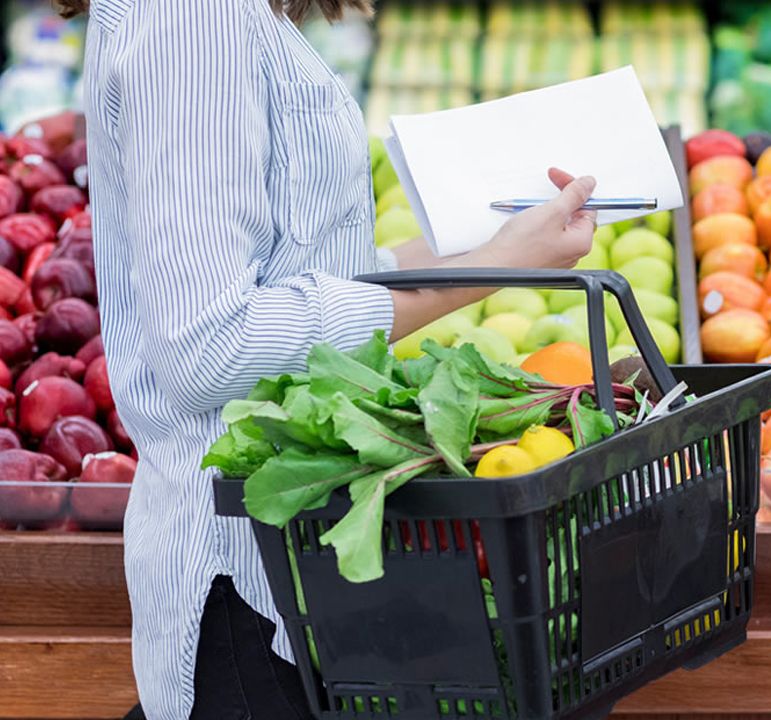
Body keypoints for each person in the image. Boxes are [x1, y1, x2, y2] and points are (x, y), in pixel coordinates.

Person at [58, 0, 597, 716]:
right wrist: (485, 269)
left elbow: (299, 276)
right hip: (250, 587)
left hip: (301, 573)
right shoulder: (192, 15)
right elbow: (209, 344)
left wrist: (498, 247)